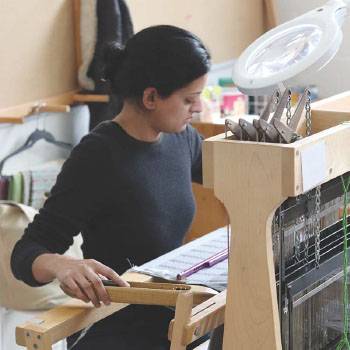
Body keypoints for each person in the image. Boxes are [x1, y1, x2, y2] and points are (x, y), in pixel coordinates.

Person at [11, 25, 213, 349]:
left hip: (173, 325)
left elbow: (234, 176)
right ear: (150, 97)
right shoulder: (99, 156)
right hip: (115, 333)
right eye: (189, 99)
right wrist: (63, 265)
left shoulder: (182, 139)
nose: (199, 108)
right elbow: (25, 254)